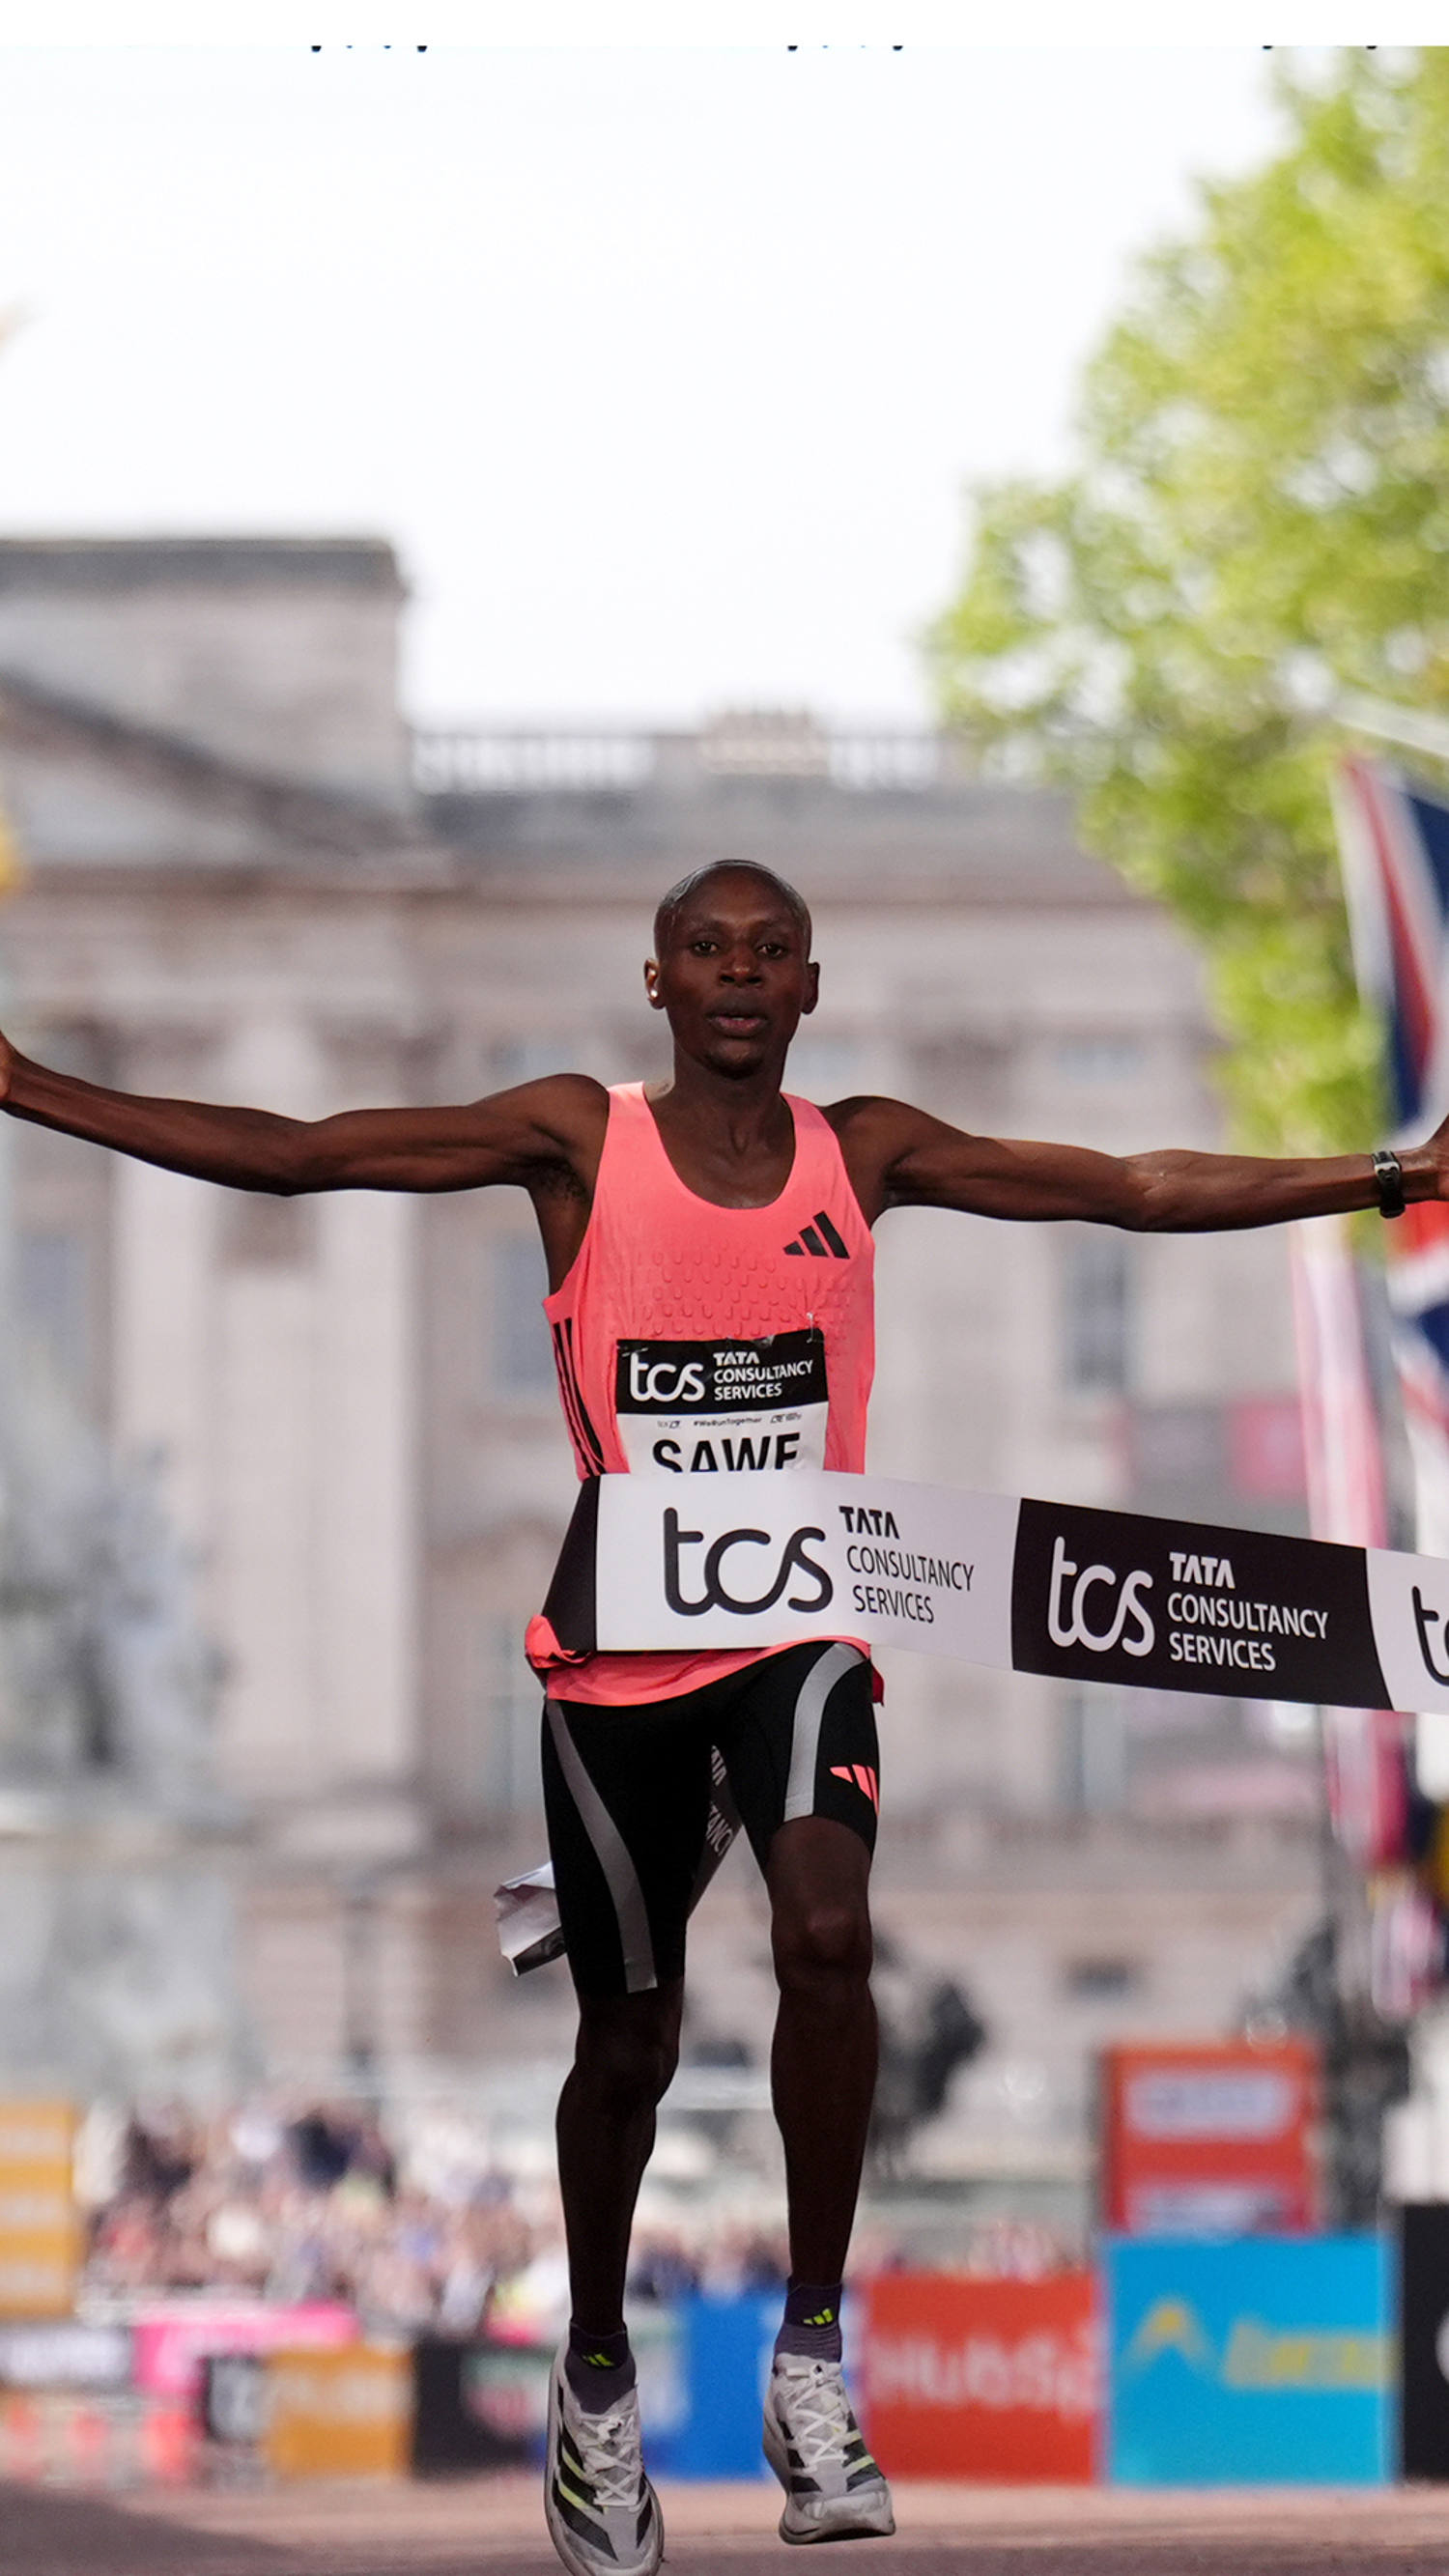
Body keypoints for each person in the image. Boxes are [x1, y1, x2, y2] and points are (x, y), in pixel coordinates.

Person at [1, 859, 1438, 2570]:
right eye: (707, 950)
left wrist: (1390, 1175)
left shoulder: (866, 1151)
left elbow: (1128, 1185)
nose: (740, 975)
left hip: (801, 1634)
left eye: (770, 953)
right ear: (659, 984)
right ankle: (596, 2373)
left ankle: (812, 2354)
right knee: (631, 2047)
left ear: (811, 988)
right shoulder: (573, 1139)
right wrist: (29, 1087)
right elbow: (302, 1154)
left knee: (828, 1934)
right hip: (621, 1657)